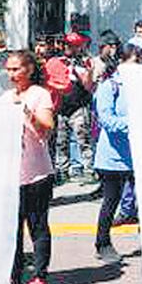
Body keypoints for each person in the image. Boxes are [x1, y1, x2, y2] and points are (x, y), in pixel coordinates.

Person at [6, 50, 55, 284]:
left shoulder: (40, 94)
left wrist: (28, 114)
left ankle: (39, 277)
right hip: (11, 176)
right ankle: (14, 277)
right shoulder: (5, 97)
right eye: (9, 69)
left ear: (29, 70)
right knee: (12, 229)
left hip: (37, 175)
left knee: (37, 227)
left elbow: (46, 129)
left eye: (16, 69)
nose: (11, 74)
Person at [93, 43, 140, 264]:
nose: (137, 67)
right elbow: (107, 121)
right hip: (113, 157)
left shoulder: (141, 86)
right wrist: (138, 124)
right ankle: (102, 243)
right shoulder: (109, 86)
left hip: (138, 155)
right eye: (133, 63)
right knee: (111, 200)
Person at [46, 32, 95, 184]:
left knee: (83, 138)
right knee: (61, 140)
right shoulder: (56, 61)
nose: (69, 48)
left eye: (73, 46)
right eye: (67, 45)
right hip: (61, 106)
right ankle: (62, 170)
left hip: (79, 105)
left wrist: (81, 69)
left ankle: (88, 169)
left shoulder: (84, 63)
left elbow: (88, 85)